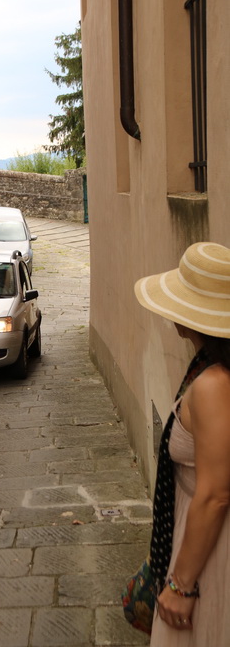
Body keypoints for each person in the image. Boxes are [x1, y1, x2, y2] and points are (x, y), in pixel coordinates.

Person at [134, 242, 230, 645]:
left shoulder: (212, 384)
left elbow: (215, 495)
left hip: (211, 547)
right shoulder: (207, 368)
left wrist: (182, 586)